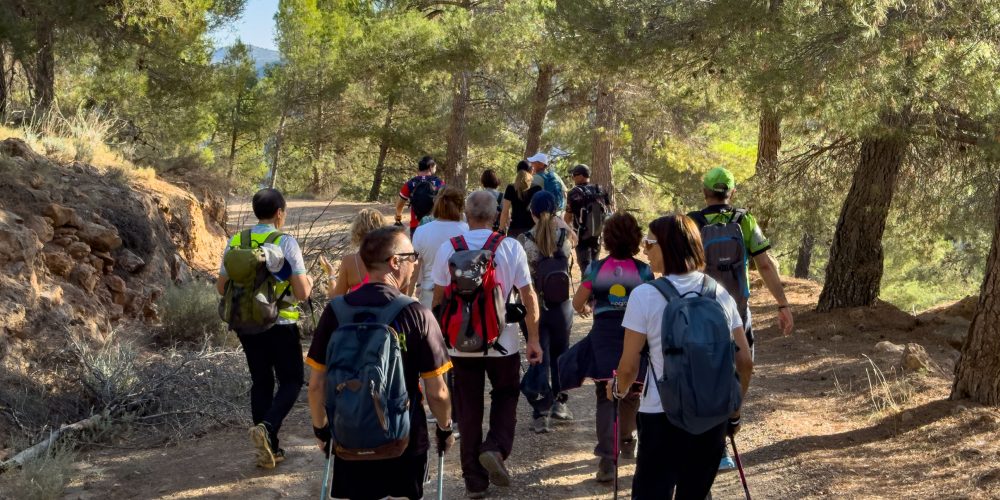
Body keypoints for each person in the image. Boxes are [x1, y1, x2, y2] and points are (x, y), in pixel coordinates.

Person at [306, 226, 455, 500]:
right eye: (412, 256)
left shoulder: (335, 311)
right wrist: (445, 429)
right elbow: (437, 391)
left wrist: (322, 430)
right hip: (404, 439)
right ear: (395, 261)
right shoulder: (417, 314)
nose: (416, 263)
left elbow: (316, 385)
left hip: (349, 436)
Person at [611, 214, 753, 499]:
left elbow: (628, 367)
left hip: (661, 415)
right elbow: (745, 361)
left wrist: (618, 391)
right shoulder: (719, 293)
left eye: (649, 243)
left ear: (668, 247)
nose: (645, 250)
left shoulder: (644, 296)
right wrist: (734, 413)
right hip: (711, 415)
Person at [432, 190, 543, 499]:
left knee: (467, 407)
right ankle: (495, 447)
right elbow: (528, 296)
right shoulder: (509, 247)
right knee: (506, 394)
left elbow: (439, 299)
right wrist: (533, 338)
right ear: (496, 216)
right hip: (502, 342)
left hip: (459, 344)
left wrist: (438, 340)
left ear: (466, 215)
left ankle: (474, 481)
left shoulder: (449, 248)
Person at [690, 166, 793, 470]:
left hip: (702, 311)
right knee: (743, 365)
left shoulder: (692, 222)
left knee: (708, 374)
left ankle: (713, 440)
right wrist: (782, 304)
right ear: (732, 192)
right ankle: (731, 416)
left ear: (704, 192)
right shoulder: (744, 220)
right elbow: (765, 264)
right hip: (737, 309)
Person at [215, 188, 313, 468]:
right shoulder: (285, 242)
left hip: (246, 322)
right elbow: (302, 292)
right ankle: (267, 427)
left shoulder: (237, 241)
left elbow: (221, 287)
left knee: (261, 381)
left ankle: (269, 449)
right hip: (281, 322)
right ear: (280, 213)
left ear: (256, 211)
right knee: (291, 380)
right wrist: (309, 283)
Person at [569, 212, 652, 482]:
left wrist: (586, 308)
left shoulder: (596, 269)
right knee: (631, 391)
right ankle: (626, 439)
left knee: (605, 395)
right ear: (636, 239)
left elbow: (577, 302)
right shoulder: (644, 272)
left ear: (606, 239)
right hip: (634, 335)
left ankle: (607, 459)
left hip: (603, 337)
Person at [518, 191, 576, 433]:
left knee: (538, 355)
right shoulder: (565, 236)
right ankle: (560, 404)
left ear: (531, 212)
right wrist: (561, 221)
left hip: (536, 308)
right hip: (561, 306)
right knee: (561, 355)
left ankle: (541, 412)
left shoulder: (525, 240)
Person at [413, 186, 469, 307]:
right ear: (461, 207)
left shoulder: (421, 231)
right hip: (460, 299)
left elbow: (415, 267)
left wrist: (408, 295)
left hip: (429, 295)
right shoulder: (468, 231)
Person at [565, 164, 612, 275]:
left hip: (581, 237)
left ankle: (587, 285)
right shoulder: (600, 189)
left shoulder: (574, 193)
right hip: (597, 235)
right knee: (595, 265)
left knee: (585, 268)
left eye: (574, 175)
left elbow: (568, 217)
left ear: (581, 176)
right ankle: (594, 285)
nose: (573, 178)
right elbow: (608, 210)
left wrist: (566, 232)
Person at [325, 208, 383, 297]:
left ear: (356, 232)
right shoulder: (391, 259)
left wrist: (331, 274)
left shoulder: (350, 261)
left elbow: (336, 297)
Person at [396, 155, 445, 239]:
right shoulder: (439, 183)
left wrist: (398, 216)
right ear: (430, 167)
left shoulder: (410, 183)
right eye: (435, 167)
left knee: (416, 247)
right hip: (434, 224)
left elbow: (400, 204)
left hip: (416, 225)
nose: (435, 169)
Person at [498, 160, 539, 238]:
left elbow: (505, 211)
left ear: (517, 172)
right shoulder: (537, 188)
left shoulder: (511, 188)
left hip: (514, 229)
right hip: (531, 230)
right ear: (531, 171)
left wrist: (501, 229)